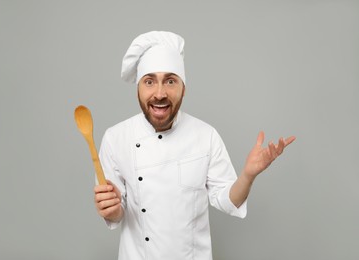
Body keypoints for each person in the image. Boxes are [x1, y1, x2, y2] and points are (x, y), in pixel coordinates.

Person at [93, 31, 295, 260]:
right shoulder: (115, 138)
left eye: (170, 81)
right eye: (149, 81)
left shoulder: (205, 136)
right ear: (138, 88)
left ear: (183, 88)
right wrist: (111, 207)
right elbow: (117, 213)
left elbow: (230, 200)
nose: (160, 93)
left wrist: (248, 175)